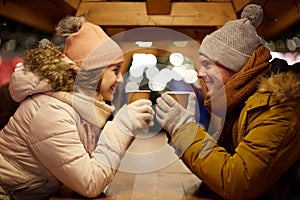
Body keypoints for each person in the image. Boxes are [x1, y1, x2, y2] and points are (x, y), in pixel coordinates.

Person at [0, 16, 154, 199]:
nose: (120, 78)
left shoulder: (79, 106)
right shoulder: (51, 111)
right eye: (115, 70)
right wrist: (121, 127)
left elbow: (83, 171)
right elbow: (90, 183)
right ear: (93, 71)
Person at [156, 4, 300, 200]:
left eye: (207, 64)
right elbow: (215, 174)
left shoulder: (280, 105)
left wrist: (185, 130)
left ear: (235, 66)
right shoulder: (235, 102)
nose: (199, 72)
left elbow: (236, 181)